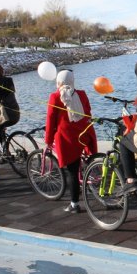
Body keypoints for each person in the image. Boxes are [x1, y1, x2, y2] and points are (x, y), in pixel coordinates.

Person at [44, 70, 97, 214]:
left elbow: (50, 119)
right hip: (84, 134)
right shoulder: (82, 94)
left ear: (59, 82)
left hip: (67, 139)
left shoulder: (55, 97)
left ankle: (74, 204)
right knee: (83, 162)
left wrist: (48, 140)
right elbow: (88, 111)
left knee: (72, 172)